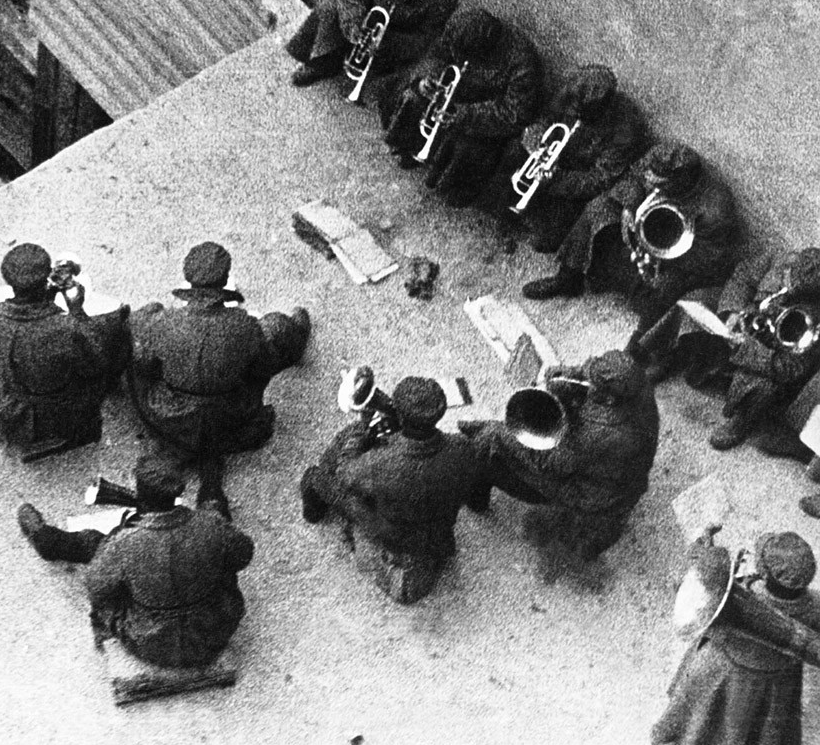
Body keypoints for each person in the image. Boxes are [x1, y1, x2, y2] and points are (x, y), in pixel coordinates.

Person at [18, 453, 252, 671]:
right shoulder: (210, 525)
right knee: (216, 513)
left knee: (92, 542)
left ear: (141, 494)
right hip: (213, 632)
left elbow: (95, 587)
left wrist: (122, 547)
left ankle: (44, 539)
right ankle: (212, 477)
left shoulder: (123, 544)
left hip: (150, 642)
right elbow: (243, 554)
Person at [131, 241, 309, 513]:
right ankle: (296, 334)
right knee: (276, 325)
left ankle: (190, 456)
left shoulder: (164, 322)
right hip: (230, 415)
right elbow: (262, 369)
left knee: (137, 351)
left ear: (188, 279)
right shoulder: (244, 325)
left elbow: (145, 367)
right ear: (226, 280)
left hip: (169, 418)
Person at [459, 350, 659, 580]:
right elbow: (593, 370)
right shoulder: (638, 384)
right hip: (619, 478)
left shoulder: (597, 433)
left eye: (594, 386)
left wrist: (500, 433)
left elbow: (548, 463)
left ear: (610, 400)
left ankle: (476, 492)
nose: (589, 381)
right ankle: (482, 438)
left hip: (590, 495)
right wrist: (568, 375)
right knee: (492, 436)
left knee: (487, 446)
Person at [652, 530, 820, 745]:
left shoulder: (741, 596)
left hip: (725, 670)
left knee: (703, 716)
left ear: (765, 574)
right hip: (776, 680)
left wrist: (703, 548)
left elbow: (698, 599)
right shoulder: (815, 606)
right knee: (758, 726)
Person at [301, 375, 484, 605]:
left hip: (396, 564)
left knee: (317, 477)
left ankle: (315, 513)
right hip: (437, 544)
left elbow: (345, 473)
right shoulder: (463, 448)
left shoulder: (380, 464)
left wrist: (362, 428)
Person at [522, 142, 742, 328]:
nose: (654, 188)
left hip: (681, 255)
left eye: (661, 186)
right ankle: (568, 277)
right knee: (598, 207)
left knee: (664, 288)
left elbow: (710, 259)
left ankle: (642, 350)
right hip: (649, 223)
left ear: (681, 181)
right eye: (652, 182)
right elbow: (633, 177)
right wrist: (630, 205)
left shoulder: (715, 210)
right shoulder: (657, 161)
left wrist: (660, 254)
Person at [638, 248, 820, 456]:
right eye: (787, 278)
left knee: (766, 387)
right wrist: (732, 310)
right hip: (740, 320)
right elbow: (742, 277)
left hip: (762, 351)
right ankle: (666, 356)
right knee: (695, 300)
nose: (787, 288)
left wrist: (746, 348)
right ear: (790, 265)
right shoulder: (781, 259)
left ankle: (741, 421)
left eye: (795, 291)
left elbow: (789, 369)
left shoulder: (814, 322)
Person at [0, 243, 132, 454]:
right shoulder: (67, 330)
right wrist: (77, 310)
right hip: (51, 412)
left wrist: (45, 296)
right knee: (117, 329)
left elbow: (22, 332)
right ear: (44, 279)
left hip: (6, 398)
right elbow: (95, 364)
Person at [380, 7, 542, 205]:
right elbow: (437, 53)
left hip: (485, 111)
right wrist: (429, 78)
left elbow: (514, 113)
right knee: (413, 97)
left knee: (467, 144)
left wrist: (463, 114)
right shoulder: (461, 28)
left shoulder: (522, 63)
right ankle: (407, 146)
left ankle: (448, 185)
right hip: (459, 94)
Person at [489, 64, 647, 253]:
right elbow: (543, 119)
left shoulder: (626, 128)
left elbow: (598, 180)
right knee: (514, 152)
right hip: (549, 161)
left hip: (573, 182)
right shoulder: (572, 92)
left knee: (544, 241)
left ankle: (531, 212)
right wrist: (537, 148)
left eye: (583, 113)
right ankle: (505, 215)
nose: (575, 115)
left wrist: (555, 180)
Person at [284, 0, 458, 92]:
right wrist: (354, 25)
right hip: (366, 19)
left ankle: (371, 81)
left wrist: (389, 42)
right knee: (331, 7)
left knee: (394, 80)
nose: (391, 5)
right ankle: (320, 63)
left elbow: (426, 39)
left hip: (398, 38)